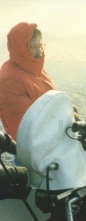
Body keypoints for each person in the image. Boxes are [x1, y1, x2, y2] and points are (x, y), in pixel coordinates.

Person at [0, 22, 80, 165]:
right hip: (34, 156)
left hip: (53, 146)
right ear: (20, 47)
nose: (39, 51)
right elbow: (23, 128)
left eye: (40, 45)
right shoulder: (9, 79)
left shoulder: (33, 68)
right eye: (33, 46)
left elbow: (51, 99)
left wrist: (70, 113)